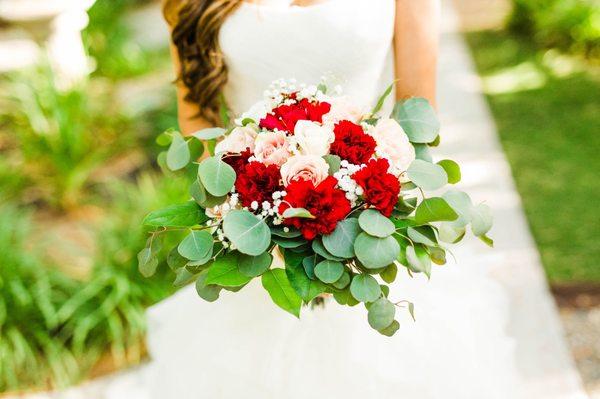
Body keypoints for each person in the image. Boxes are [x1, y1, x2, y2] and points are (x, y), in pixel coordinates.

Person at [130, 1, 523, 397]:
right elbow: (198, 122)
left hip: (369, 222)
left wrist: (360, 224)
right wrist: (245, 220)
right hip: (254, 233)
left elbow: (418, 117)